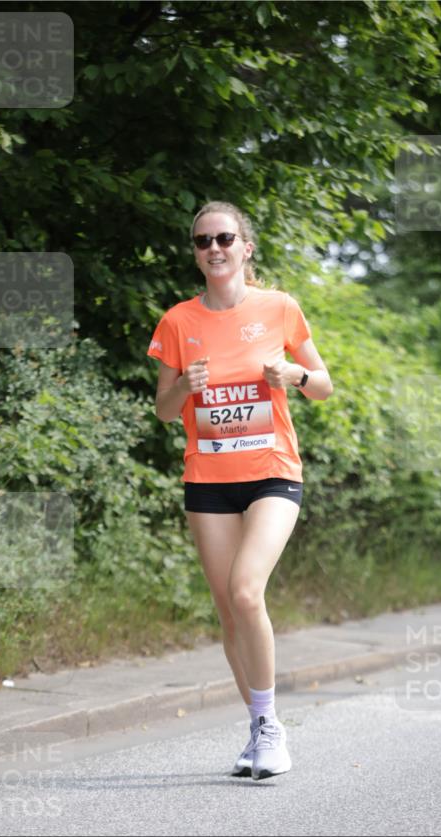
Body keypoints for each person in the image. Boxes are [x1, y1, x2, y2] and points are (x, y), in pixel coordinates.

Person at [147, 201, 333, 777]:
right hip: (208, 481)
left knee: (247, 590)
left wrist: (295, 375)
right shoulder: (179, 321)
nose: (214, 249)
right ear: (196, 253)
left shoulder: (279, 308)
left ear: (246, 247)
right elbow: (163, 411)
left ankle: (273, 728)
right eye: (203, 242)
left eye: (225, 238)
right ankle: (256, 727)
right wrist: (185, 388)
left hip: (273, 473)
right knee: (229, 613)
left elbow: (324, 385)